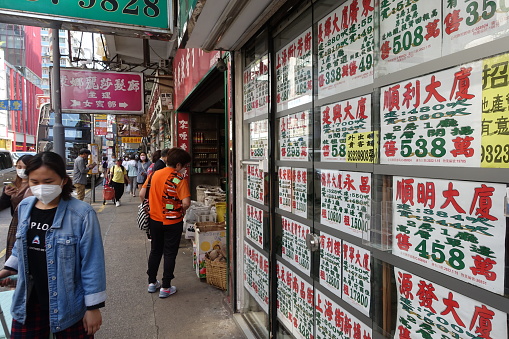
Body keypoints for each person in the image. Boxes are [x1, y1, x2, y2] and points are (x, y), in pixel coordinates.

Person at [0, 151, 106, 337]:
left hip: (69, 304)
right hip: (28, 301)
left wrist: (93, 307)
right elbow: (20, 246)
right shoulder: (25, 207)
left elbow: (92, 263)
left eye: (48, 182)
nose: (41, 187)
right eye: (34, 182)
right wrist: (9, 268)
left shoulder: (82, 214)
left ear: (63, 180)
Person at [140, 147, 191, 298]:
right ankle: (166, 287)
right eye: (185, 166)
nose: (185, 170)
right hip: (173, 222)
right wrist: (178, 208)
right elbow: (186, 202)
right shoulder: (178, 179)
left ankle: (151, 282)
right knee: (169, 253)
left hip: (154, 219)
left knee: (155, 250)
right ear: (178, 165)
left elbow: (142, 194)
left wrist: (152, 206)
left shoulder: (154, 174)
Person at [0, 154, 34, 260]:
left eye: (25, 167)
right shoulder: (12, 185)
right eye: (19, 167)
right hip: (16, 225)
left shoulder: (36, 185)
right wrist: (6, 195)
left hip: (32, 225)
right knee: (15, 257)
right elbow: (2, 206)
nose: (22, 170)